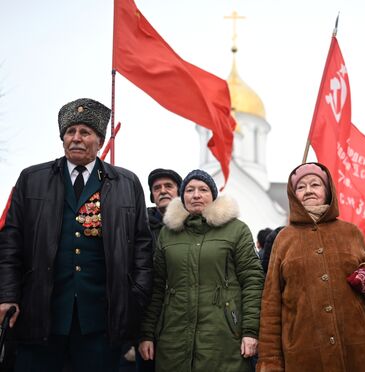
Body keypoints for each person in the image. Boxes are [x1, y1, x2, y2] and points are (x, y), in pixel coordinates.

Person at [0, 98, 153, 372]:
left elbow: (142, 247)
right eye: (70, 132)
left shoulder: (126, 184)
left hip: (101, 323)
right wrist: (7, 295)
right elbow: (10, 245)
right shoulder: (32, 179)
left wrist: (134, 299)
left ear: (100, 140)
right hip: (40, 316)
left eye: (85, 132)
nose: (76, 139)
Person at [257, 162, 365, 372]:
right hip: (304, 354)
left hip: (356, 350)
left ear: (327, 190)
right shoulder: (283, 239)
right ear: (293, 195)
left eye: (315, 184)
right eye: (300, 186)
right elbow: (271, 304)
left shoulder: (350, 232)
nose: (308, 191)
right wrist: (270, 361)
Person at [138, 169, 264, 372]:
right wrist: (147, 334)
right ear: (182, 196)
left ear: (213, 196)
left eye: (203, 189)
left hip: (224, 338)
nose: (196, 195)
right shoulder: (168, 234)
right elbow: (157, 287)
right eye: (190, 190)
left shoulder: (236, 230)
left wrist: (251, 331)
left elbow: (252, 281)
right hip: (174, 338)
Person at [133, 168, 182, 372]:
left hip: (180, 318)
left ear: (180, 192)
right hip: (148, 318)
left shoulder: (192, 226)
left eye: (169, 186)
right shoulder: (138, 227)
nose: (162, 191)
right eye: (157, 188)